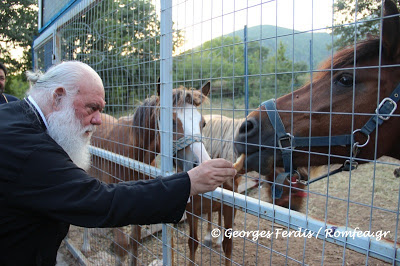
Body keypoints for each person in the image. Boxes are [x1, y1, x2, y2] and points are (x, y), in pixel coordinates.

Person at [0, 61, 236, 265]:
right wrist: (188, 183)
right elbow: (100, 201)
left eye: (101, 110)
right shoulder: (30, 149)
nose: (99, 120)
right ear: (58, 97)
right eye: (92, 108)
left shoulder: (13, 118)